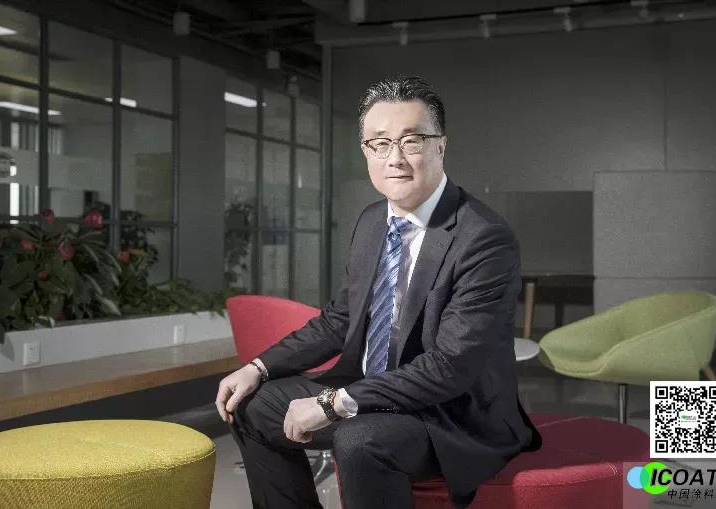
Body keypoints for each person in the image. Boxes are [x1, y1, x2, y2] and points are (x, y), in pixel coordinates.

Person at [215, 76, 542, 509]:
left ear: (440, 146)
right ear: (366, 152)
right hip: (370, 391)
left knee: (359, 440)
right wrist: (258, 367)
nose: (395, 158)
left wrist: (333, 403)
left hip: (448, 413)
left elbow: (451, 367)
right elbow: (341, 319)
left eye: (411, 141)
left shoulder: (483, 237)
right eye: (380, 143)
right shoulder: (372, 220)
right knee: (252, 405)